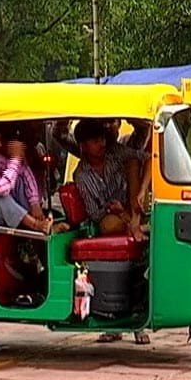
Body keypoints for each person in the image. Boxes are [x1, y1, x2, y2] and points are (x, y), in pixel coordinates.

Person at [72, 119, 150, 345]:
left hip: (131, 208)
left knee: (134, 162)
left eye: (103, 139)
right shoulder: (81, 175)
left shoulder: (116, 153)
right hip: (110, 219)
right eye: (95, 141)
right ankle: (136, 226)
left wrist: (142, 191)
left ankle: (136, 223)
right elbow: (96, 215)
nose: (102, 144)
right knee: (108, 224)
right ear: (83, 145)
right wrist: (119, 213)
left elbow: (146, 159)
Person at [0, 125, 53, 234]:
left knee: (17, 178)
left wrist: (34, 203)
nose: (0, 145)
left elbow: (23, 170)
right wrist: (15, 159)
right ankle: (34, 225)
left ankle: (37, 221)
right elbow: (2, 189)